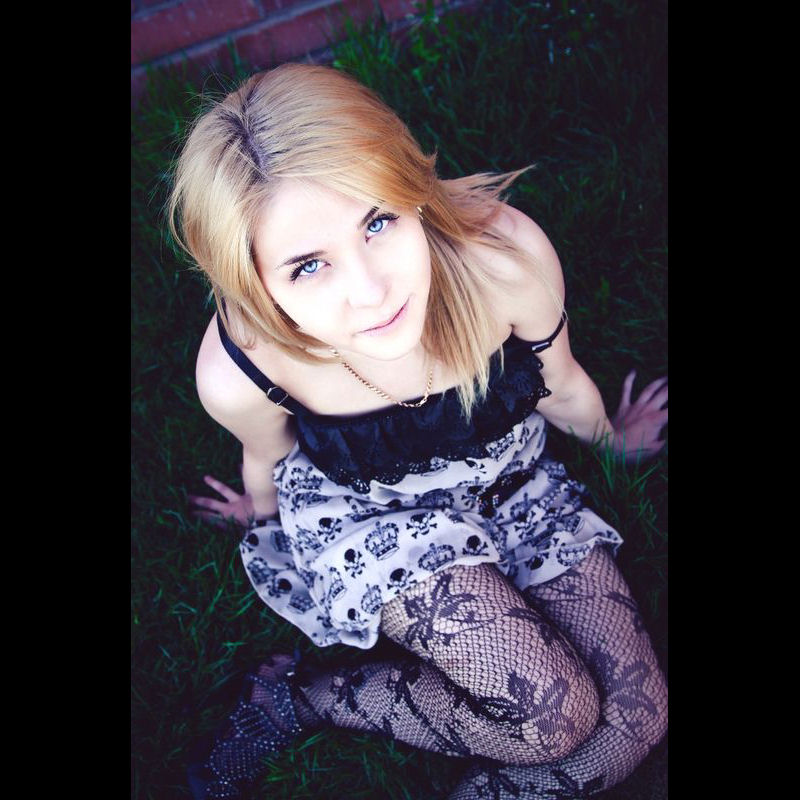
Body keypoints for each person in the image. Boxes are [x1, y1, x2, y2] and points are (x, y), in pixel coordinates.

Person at [170, 63, 668, 800]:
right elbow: (267, 454)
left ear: (411, 189)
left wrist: (609, 438)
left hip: (511, 487)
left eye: (378, 222)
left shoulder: (503, 264)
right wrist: (259, 514)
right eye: (308, 267)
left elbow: (560, 381)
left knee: (638, 718)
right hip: (372, 521)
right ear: (254, 283)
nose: (371, 291)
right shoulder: (241, 367)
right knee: (550, 721)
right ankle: (300, 697)